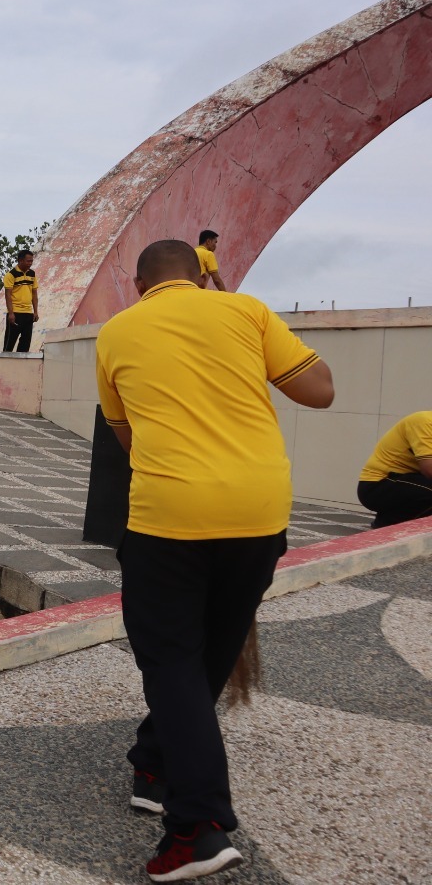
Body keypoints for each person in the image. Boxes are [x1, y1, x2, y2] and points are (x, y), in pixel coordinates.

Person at [96, 239, 333, 882]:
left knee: (171, 658)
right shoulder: (246, 311)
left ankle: (196, 826)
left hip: (169, 517)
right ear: (200, 274)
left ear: (137, 283)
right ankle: (153, 764)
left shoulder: (116, 333)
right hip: (259, 513)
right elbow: (320, 390)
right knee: (211, 655)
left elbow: (127, 436)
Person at [357, 411, 432, 528]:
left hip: (409, 482)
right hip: (377, 485)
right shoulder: (424, 421)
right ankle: (385, 526)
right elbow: (429, 469)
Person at [1, 249, 40, 353]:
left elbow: (34, 293)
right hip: (16, 313)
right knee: (9, 345)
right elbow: (8, 295)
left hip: (28, 313)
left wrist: (35, 311)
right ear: (21, 260)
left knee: (25, 344)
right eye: (28, 261)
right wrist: (11, 313)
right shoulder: (11, 275)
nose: (30, 263)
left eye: (31, 261)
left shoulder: (32, 274)